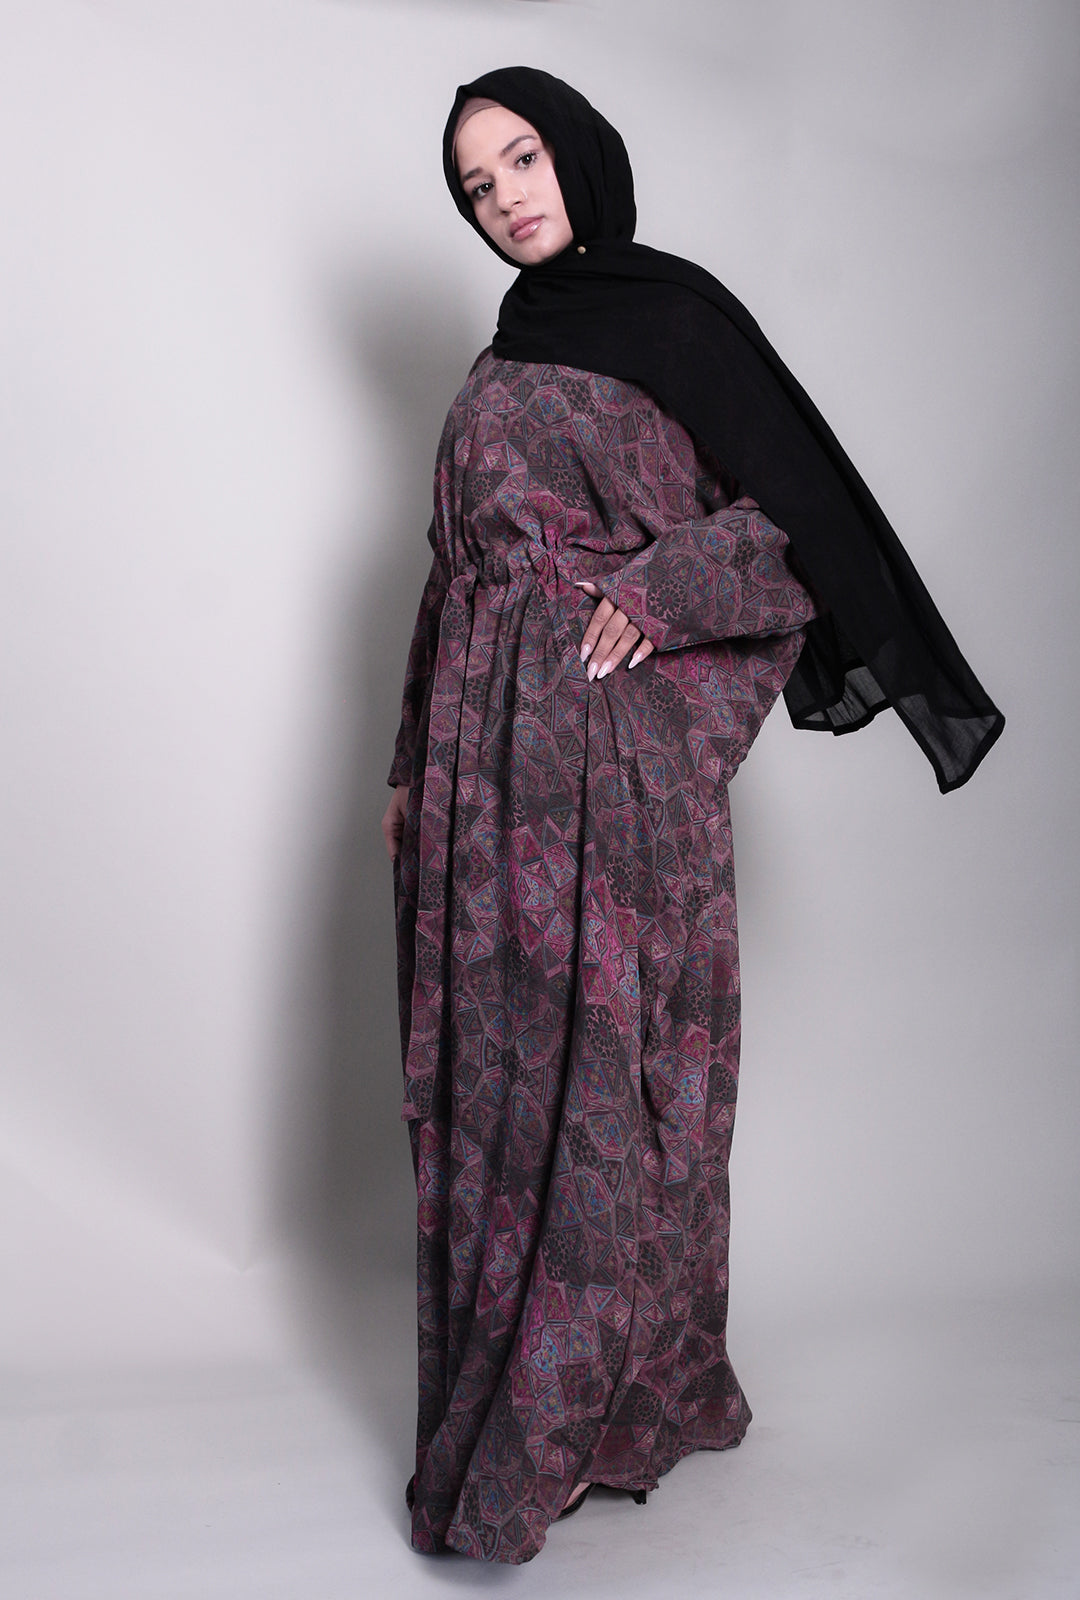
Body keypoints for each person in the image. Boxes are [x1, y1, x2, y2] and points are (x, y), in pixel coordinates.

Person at [381, 67, 1002, 1566]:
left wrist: (662, 589)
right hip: (482, 782)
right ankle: (536, 1397)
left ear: (581, 153)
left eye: (523, 157)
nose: (506, 196)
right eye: (476, 184)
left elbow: (799, 524)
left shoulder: (673, 319)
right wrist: (410, 762)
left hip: (610, 773)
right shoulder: (502, 356)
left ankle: (589, 1414)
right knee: (502, 1084)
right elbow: (456, 573)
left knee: (608, 1084)